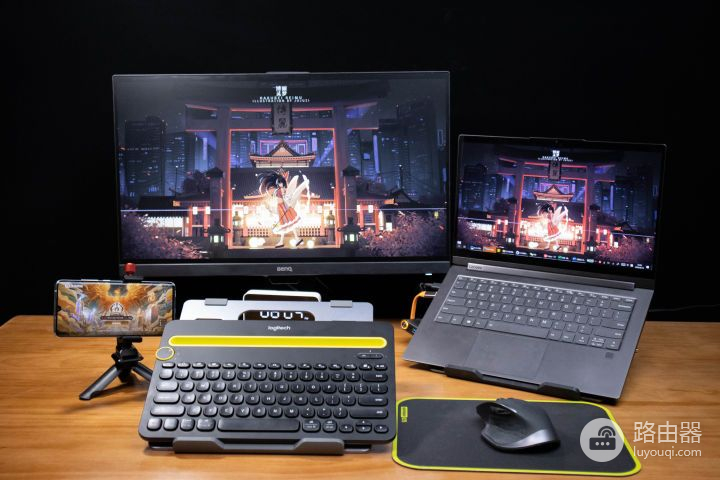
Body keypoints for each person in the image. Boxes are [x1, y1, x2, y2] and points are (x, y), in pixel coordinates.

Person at [259, 169, 310, 248]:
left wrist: (287, 206)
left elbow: (284, 198)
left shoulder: (281, 190)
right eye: (279, 183)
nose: (280, 184)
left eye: (281, 183)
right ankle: (294, 239)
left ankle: (287, 241)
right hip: (281, 207)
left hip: (283, 207)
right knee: (287, 224)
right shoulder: (278, 190)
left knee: (286, 224)